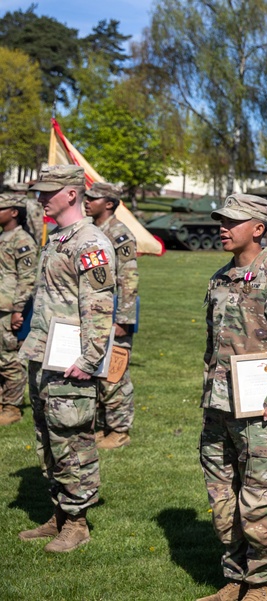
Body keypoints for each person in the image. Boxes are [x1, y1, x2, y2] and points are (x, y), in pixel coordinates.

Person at [198, 193, 267, 601]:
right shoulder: (219, 278)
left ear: (258, 228)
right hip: (218, 407)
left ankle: (261, 585)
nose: (222, 228)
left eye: (233, 221)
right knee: (221, 495)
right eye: (221, 221)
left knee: (258, 499)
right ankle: (234, 576)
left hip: (259, 412)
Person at [16, 165, 115, 553]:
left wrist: (89, 359)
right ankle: (59, 512)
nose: (41, 198)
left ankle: (77, 522)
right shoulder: (58, 237)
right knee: (47, 438)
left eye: (48, 191)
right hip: (44, 354)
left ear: (72, 194)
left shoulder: (90, 243)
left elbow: (98, 308)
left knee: (72, 440)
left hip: (71, 361)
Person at [83, 182, 139, 449]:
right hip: (92, 315)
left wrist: (124, 319)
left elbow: (128, 278)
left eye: (93, 198)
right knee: (93, 370)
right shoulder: (90, 231)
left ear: (109, 203)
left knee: (113, 374)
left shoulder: (119, 234)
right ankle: (101, 426)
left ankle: (119, 430)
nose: (86, 201)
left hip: (115, 316)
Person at [0, 193, 38, 426]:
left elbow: (27, 279)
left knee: (10, 359)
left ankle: (12, 407)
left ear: (14, 212)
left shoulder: (22, 240)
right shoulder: (3, 237)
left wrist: (18, 310)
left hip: (9, 307)